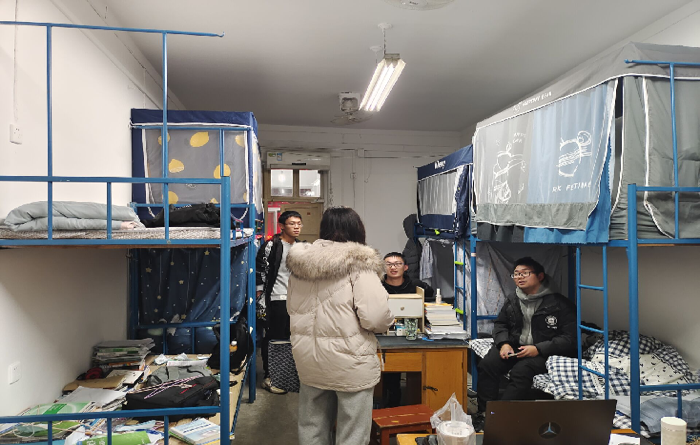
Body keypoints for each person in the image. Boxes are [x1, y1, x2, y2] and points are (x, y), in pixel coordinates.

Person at [286, 207, 394, 445]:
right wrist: (390, 320)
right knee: (352, 432)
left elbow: (291, 309)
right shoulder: (360, 264)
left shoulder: (300, 264)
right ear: (357, 229)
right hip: (350, 360)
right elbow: (375, 317)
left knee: (312, 426)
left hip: (308, 357)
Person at [472, 257, 576, 431]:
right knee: (488, 364)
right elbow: (500, 324)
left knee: (521, 371)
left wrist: (538, 349)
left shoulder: (560, 304)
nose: (519, 277)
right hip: (516, 346)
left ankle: (501, 417)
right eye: (516, 274)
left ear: (540, 276)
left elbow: (570, 338)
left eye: (525, 273)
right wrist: (504, 343)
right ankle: (484, 413)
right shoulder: (513, 299)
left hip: (546, 352)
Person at [255, 210, 303, 394]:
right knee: (275, 338)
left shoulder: (301, 247)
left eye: (299, 223)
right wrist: (260, 296)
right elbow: (260, 270)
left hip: (297, 300)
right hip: (277, 298)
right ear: (282, 226)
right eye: (292, 223)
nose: (296, 227)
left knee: (293, 339)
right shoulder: (271, 245)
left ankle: (287, 376)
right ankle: (270, 377)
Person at [380, 251, 435, 408]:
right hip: (385, 333)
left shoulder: (416, 285)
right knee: (391, 368)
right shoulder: (378, 287)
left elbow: (430, 299)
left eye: (397, 264)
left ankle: (415, 403)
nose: (393, 267)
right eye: (389, 264)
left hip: (413, 333)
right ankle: (391, 402)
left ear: (405, 267)